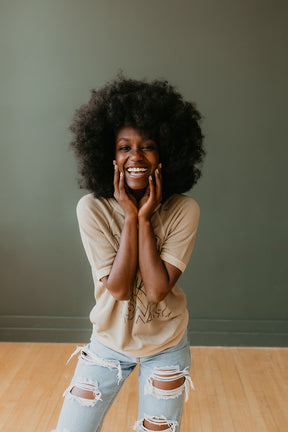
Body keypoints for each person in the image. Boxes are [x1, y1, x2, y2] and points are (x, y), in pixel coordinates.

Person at [52, 74, 205, 432]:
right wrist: (130, 215)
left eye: (147, 146)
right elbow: (118, 289)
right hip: (107, 342)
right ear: (109, 154)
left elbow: (155, 289)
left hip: (165, 344)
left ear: (165, 152)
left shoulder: (185, 209)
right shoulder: (91, 208)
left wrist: (143, 219)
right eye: (124, 147)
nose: (136, 156)